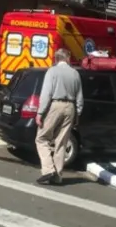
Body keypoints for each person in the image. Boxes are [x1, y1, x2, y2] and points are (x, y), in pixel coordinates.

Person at [34, 48, 83, 185]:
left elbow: (46, 94)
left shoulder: (52, 71)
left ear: (56, 59)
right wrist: (77, 113)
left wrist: (40, 113)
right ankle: (58, 176)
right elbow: (80, 97)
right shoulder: (75, 73)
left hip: (56, 105)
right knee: (61, 142)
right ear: (67, 58)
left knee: (41, 138)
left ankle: (48, 170)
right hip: (71, 107)